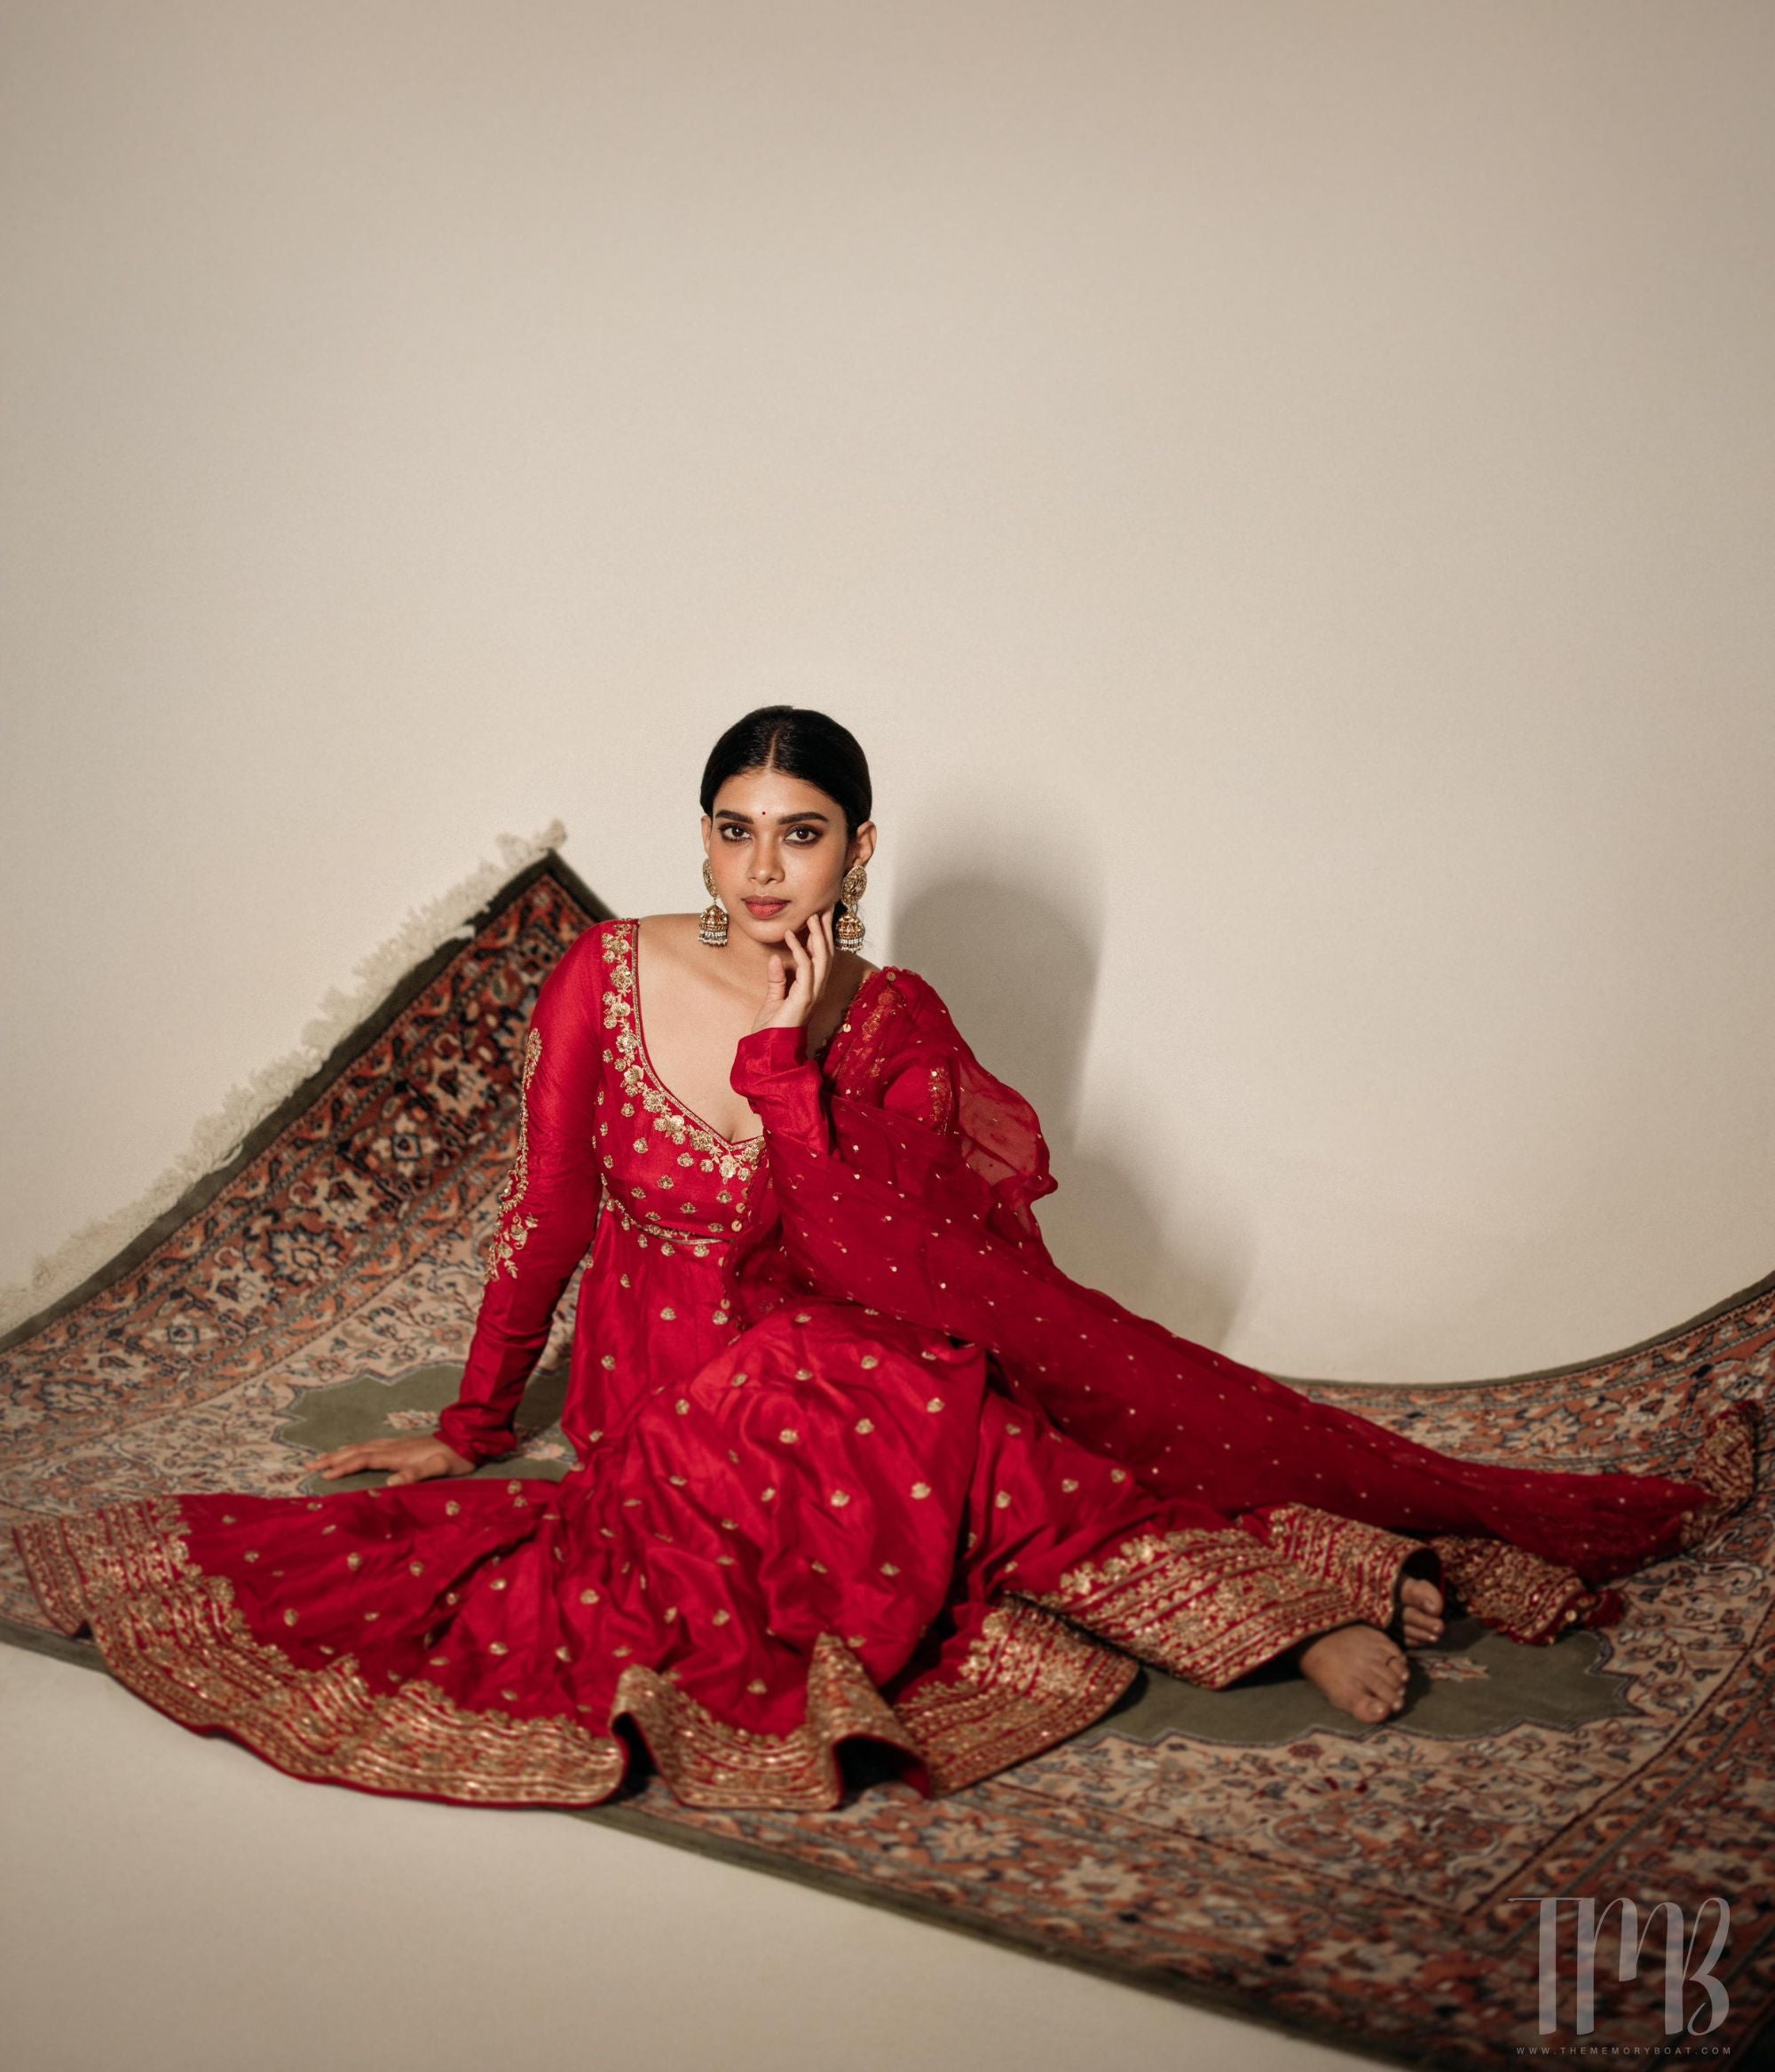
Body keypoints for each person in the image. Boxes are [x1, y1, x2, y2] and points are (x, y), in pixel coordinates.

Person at [12, 708, 1757, 1813]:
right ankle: (1291, 1588)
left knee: (953, 1391)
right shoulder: (601, 977)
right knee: (906, 1427)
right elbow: (544, 1217)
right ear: (698, 835)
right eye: (733, 829)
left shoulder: (896, 1020)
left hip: (844, 1361)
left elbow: (897, 1265)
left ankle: (1300, 1575)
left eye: (804, 835)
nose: (763, 869)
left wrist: (804, 1049)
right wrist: (475, 1429)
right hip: (666, 1411)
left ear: (859, 853)